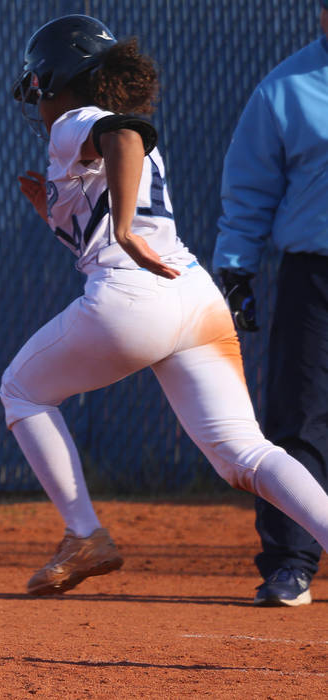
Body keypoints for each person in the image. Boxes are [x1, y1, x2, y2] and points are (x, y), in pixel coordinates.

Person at [1, 14, 328, 597]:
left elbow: (124, 134)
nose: (37, 101)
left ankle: (84, 533)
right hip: (194, 296)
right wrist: (58, 210)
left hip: (131, 298)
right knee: (247, 454)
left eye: (38, 86)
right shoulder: (82, 143)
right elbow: (106, 188)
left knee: (21, 392)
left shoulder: (77, 119)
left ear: (56, 80)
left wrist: (122, 230)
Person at [212, 1, 328, 607]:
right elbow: (251, 184)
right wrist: (235, 267)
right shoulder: (286, 87)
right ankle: (290, 562)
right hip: (315, 274)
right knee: (299, 417)